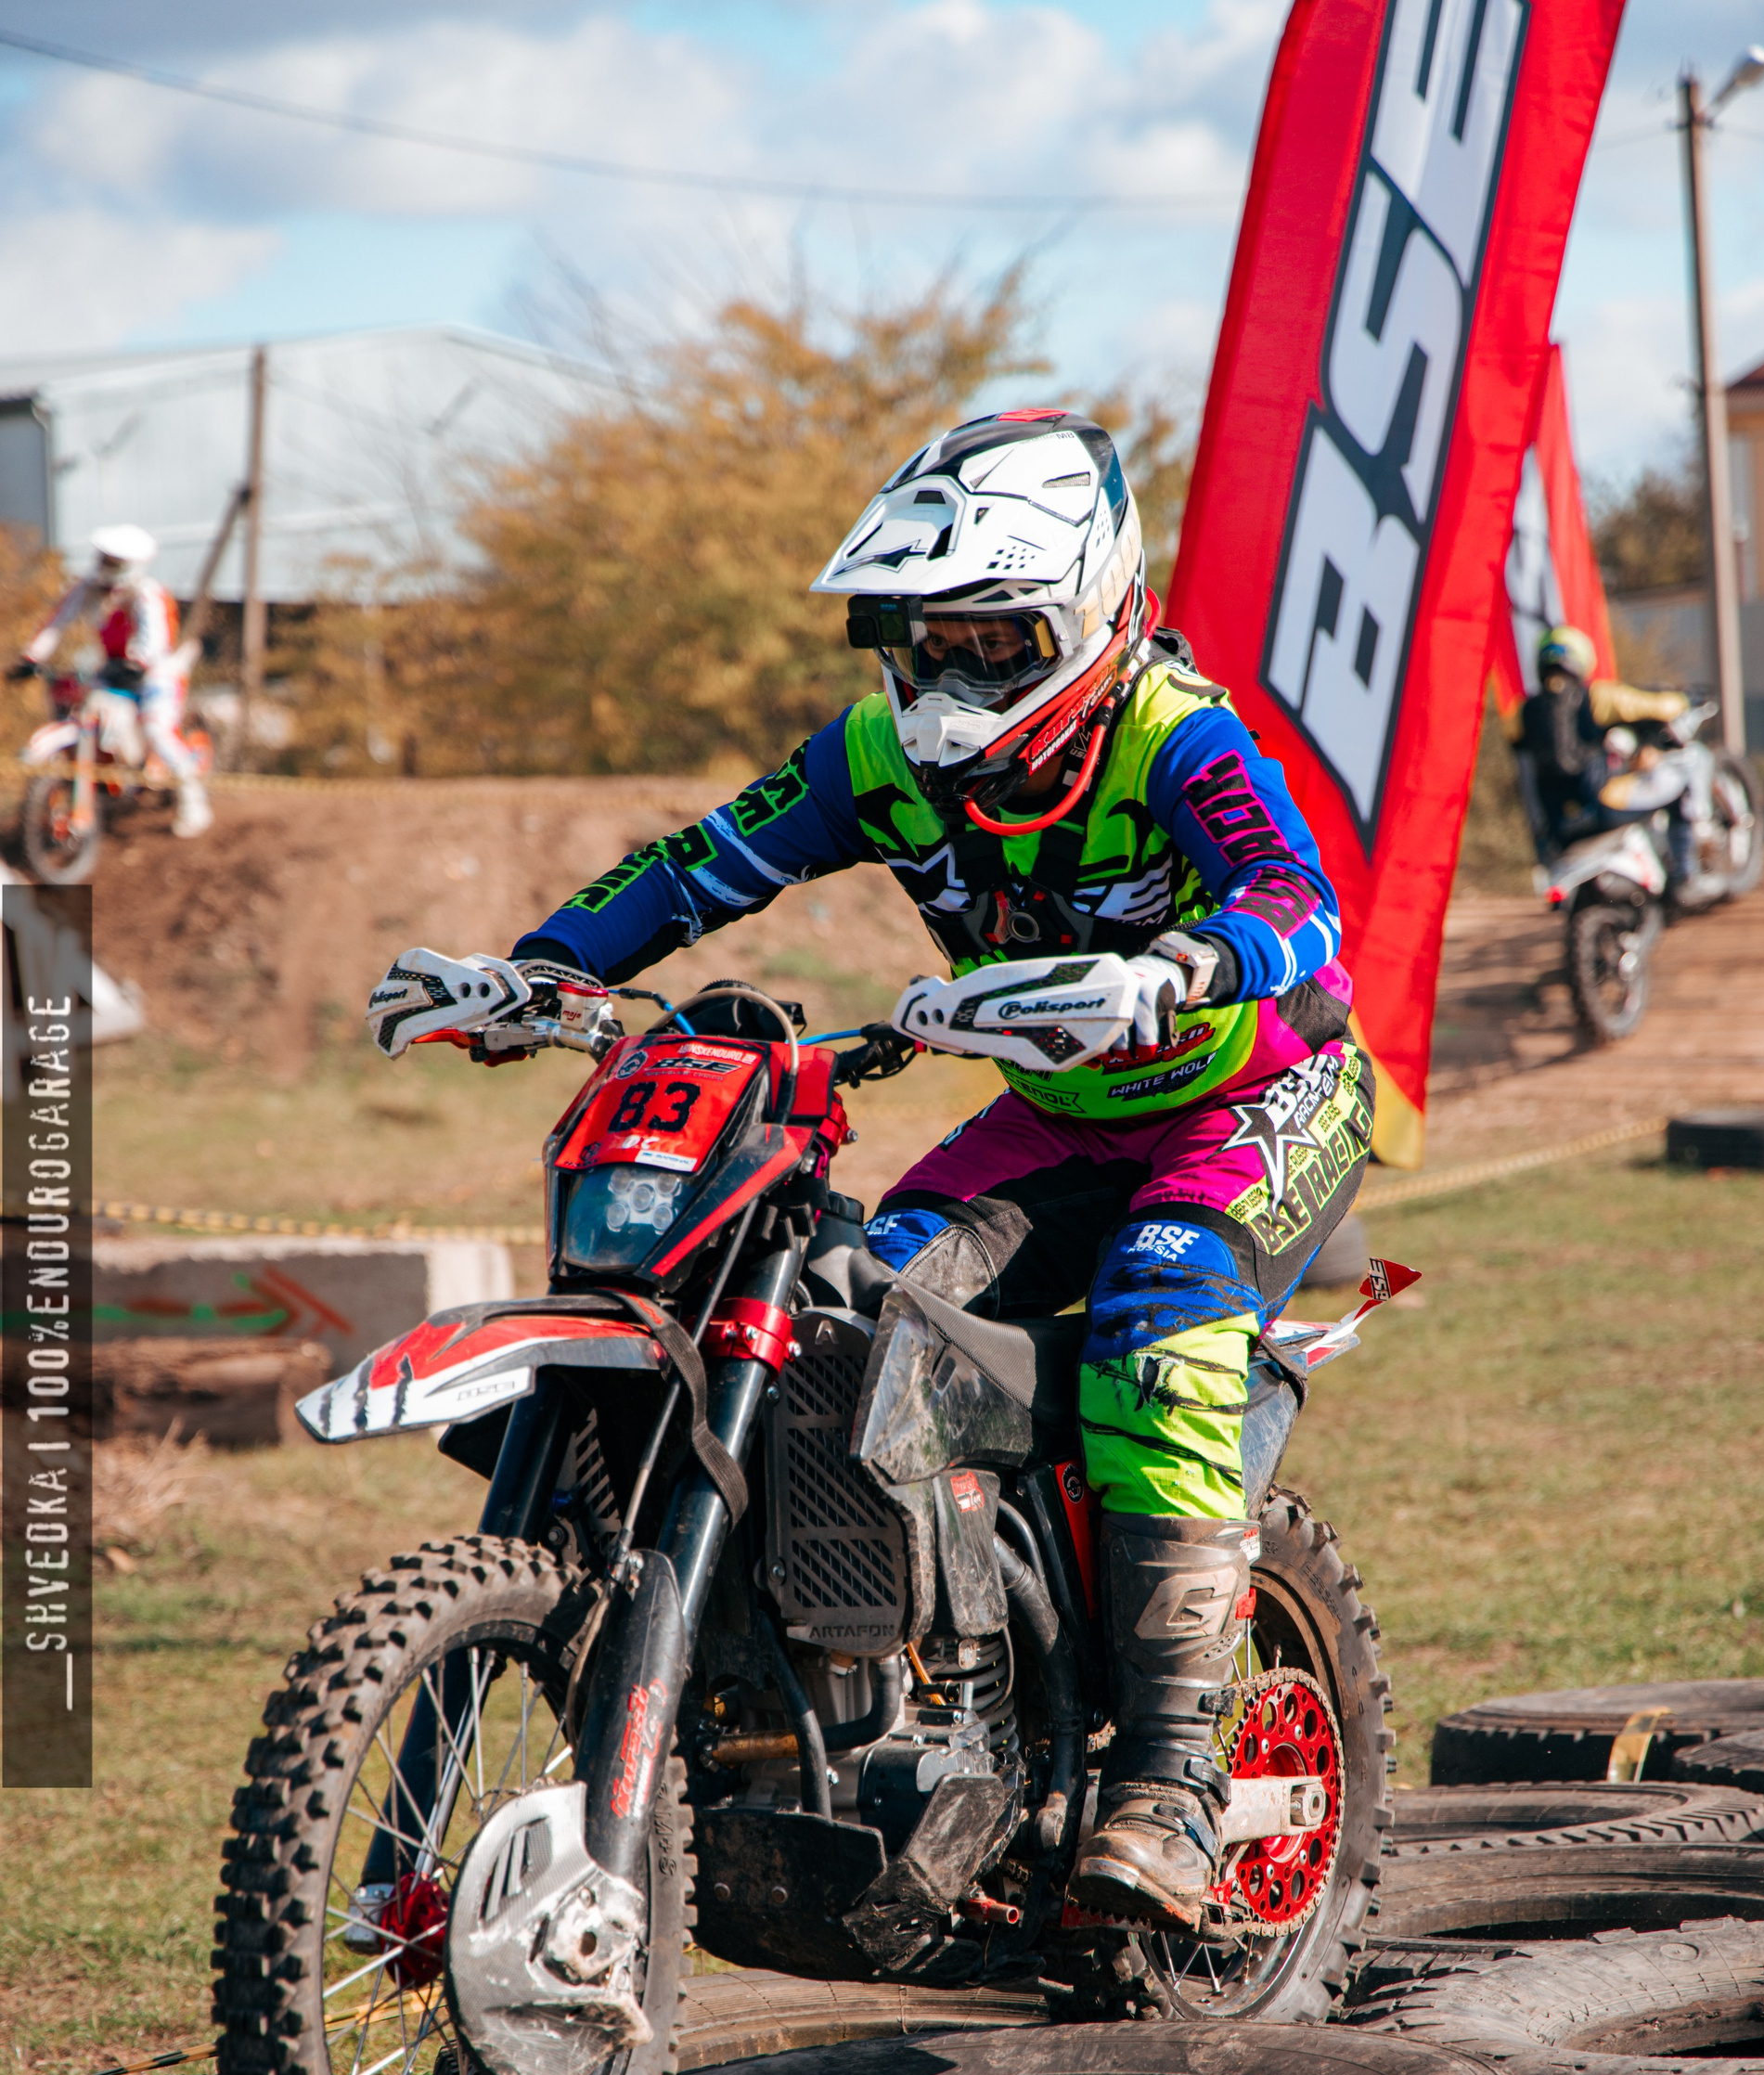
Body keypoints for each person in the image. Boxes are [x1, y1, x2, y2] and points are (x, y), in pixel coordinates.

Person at [502, 407, 1371, 1931]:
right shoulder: (872, 759)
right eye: (926, 639)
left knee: (1160, 1312)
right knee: (859, 1315)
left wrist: (1190, 961)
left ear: (1093, 614)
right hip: (1060, 1111)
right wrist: (541, 966)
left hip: (1257, 1094)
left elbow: (1298, 894)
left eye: (993, 638)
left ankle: (1171, 1779)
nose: (951, 677)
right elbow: (699, 864)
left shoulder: (1177, 733)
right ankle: (944, 1691)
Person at [11, 523, 212, 838]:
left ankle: (194, 805)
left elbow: (155, 638)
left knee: (157, 730)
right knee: (81, 712)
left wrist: (139, 662)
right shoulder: (88, 588)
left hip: (154, 674)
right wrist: (31, 658)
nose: (104, 565)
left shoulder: (148, 594)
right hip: (112, 671)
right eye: (104, 558)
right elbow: (57, 621)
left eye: (112, 561)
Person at [1514, 624, 1691, 882]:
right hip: (1603, 807)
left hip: (1556, 826)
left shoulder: (1524, 711)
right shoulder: (1597, 696)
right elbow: (1660, 707)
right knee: (1680, 789)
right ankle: (1685, 874)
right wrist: (1683, 700)